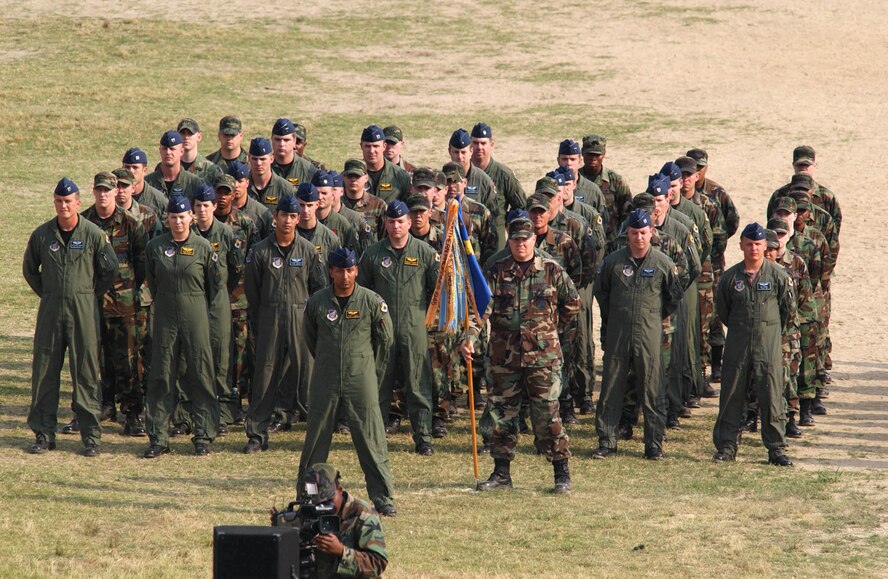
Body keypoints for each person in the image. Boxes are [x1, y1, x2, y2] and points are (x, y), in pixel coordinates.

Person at [460, 215, 580, 493]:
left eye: (526, 239)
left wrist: (548, 331)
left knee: (547, 415)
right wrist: (469, 338)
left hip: (542, 359)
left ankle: (561, 473)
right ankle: (502, 473)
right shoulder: (496, 270)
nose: (521, 244)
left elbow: (572, 303)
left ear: (534, 240)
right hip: (505, 358)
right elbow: (480, 311)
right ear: (509, 240)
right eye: (515, 240)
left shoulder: (551, 270)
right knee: (502, 415)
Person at [298, 248, 397, 517]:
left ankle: (383, 497)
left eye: (350, 270)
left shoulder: (371, 302)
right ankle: (308, 495)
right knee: (316, 440)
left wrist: (368, 369)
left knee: (371, 439)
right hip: (325, 378)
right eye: (339, 270)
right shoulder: (318, 302)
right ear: (331, 271)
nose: (345, 276)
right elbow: (310, 338)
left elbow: (385, 342)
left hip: (360, 378)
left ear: (356, 271)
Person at [23, 178, 118, 456]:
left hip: (83, 311)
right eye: (59, 202)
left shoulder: (93, 234)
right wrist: (50, 294)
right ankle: (44, 434)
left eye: (68, 201)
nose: (63, 206)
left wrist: (88, 294)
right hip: (51, 312)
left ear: (78, 203)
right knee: (44, 372)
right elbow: (30, 270)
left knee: (86, 374)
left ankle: (90, 438)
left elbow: (109, 270)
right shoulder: (42, 235)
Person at [592, 209, 683, 460]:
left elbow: (673, 298)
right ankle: (607, 440)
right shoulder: (613, 262)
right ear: (627, 234)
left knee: (653, 389)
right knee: (611, 387)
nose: (639, 237)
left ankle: (653, 443)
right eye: (634, 233)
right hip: (618, 333)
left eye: (643, 232)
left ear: (651, 233)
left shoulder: (663, 264)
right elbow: (602, 293)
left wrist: (651, 317)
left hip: (649, 333)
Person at [243, 195, 327, 453]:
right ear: (275, 216)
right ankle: (257, 434)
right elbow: (252, 291)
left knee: (307, 377)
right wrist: (261, 320)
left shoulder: (308, 251)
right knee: (265, 376)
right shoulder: (259, 251)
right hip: (269, 319)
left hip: (301, 321)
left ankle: (317, 434)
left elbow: (319, 289)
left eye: (293, 216)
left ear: (298, 219)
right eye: (284, 215)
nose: (288, 221)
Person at [358, 200, 439, 455]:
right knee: (379, 382)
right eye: (391, 222)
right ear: (385, 223)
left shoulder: (425, 253)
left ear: (409, 223)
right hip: (381, 329)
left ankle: (423, 436)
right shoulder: (372, 255)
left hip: (414, 327)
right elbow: (362, 292)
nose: (396, 226)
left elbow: (437, 291)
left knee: (418, 383)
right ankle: (375, 434)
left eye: (401, 221)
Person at [143, 195, 221, 457]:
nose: (178, 221)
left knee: (201, 373)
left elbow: (215, 284)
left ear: (192, 217)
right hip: (165, 316)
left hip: (195, 314)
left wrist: (195, 305)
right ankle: (158, 437)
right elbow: (151, 280)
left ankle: (203, 435)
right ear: (168, 219)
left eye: (183, 216)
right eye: (173, 217)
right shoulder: (155, 247)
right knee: (162, 376)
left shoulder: (203, 247)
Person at [712, 223, 795, 466]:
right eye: (749, 244)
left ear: (765, 246)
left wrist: (767, 331)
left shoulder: (778, 276)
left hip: (767, 345)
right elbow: (723, 311)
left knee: (771, 396)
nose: (754, 249)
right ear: (741, 246)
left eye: (758, 244)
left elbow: (787, 312)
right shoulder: (730, 278)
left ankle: (776, 449)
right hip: (738, 344)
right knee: (731, 395)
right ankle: (727, 446)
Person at [80, 171, 148, 435]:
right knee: (94, 358)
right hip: (93, 302)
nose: (104, 194)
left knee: (128, 360)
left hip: (125, 305)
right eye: (99, 190)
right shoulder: (84, 221)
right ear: (94, 192)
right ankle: (101, 405)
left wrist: (128, 289)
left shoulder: (131, 224)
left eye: (108, 190)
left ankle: (133, 414)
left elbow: (141, 263)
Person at [686, 147, 739, 382]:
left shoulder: (716, 192)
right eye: (692, 168)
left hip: (712, 264)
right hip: (690, 265)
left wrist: (712, 254)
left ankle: (715, 363)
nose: (696, 172)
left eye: (701, 168)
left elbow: (730, 222)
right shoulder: (675, 190)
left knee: (713, 312)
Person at [298, 463, 388, 578]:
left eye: (328, 500)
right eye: (318, 502)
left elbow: (378, 563)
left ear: (340, 490)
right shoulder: (309, 511)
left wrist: (341, 551)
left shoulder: (363, 514)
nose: (323, 506)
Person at [470, 122, 527, 248]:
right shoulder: (463, 174)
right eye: (475, 142)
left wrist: (506, 223)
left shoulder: (504, 175)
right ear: (470, 145)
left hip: (496, 239)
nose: (479, 147)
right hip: (469, 239)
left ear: (491, 145)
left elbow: (521, 206)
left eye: (483, 143)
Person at [578, 134, 632, 240]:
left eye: (597, 155)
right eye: (589, 154)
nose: (593, 158)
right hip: (581, 239)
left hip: (609, 240)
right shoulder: (575, 180)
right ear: (582, 153)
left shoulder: (616, 181)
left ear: (604, 154)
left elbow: (627, 212)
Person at [145, 130, 205, 200]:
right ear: (160, 151)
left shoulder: (193, 183)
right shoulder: (147, 183)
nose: (168, 152)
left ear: (181, 151)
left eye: (172, 149)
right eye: (164, 149)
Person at [360, 125, 410, 204]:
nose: (372, 151)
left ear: (384, 146)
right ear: (361, 146)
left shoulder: (401, 176)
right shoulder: (351, 176)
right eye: (367, 146)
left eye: (376, 146)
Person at [341, 158, 387, 239]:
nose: (353, 180)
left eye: (357, 176)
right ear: (343, 177)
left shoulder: (378, 205)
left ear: (366, 178)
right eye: (349, 176)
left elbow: (384, 237)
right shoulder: (336, 204)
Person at [248, 137, 297, 211]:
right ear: (248, 158)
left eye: (263, 159)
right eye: (254, 159)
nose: (258, 163)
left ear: (271, 159)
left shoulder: (286, 190)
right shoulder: (242, 187)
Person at [122, 147, 168, 223]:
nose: (130, 171)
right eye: (127, 167)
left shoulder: (159, 201)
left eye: (135, 167)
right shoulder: (114, 197)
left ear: (145, 170)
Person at [271, 117, 317, 187]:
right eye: (277, 139)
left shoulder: (309, 170)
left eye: (286, 140)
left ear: (294, 141)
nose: (281, 144)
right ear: (271, 140)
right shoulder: (262, 167)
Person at [177, 118, 221, 184]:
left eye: (190, 133)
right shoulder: (168, 167)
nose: (186, 137)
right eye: (183, 133)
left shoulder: (211, 170)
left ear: (199, 136)